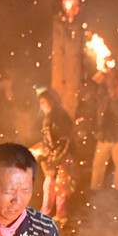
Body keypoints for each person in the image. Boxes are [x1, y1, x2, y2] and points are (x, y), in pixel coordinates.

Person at [35, 90, 74, 224]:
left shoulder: (51, 118)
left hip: (57, 157)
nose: (42, 106)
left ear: (51, 102)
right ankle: (55, 214)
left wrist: (42, 153)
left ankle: (53, 215)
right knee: (56, 186)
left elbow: (53, 141)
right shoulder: (61, 114)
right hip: (61, 156)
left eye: (43, 102)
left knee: (55, 187)